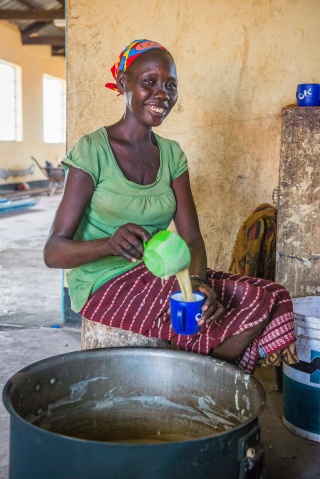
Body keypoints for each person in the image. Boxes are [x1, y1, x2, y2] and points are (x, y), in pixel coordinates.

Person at [44, 39, 297, 373]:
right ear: (123, 83)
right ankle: (200, 380)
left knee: (272, 296)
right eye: (149, 81)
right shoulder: (93, 151)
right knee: (238, 308)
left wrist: (199, 282)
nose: (162, 93)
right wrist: (108, 244)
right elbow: (53, 252)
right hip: (103, 282)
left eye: (171, 85)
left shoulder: (172, 155)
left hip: (159, 272)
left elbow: (192, 238)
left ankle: (199, 375)